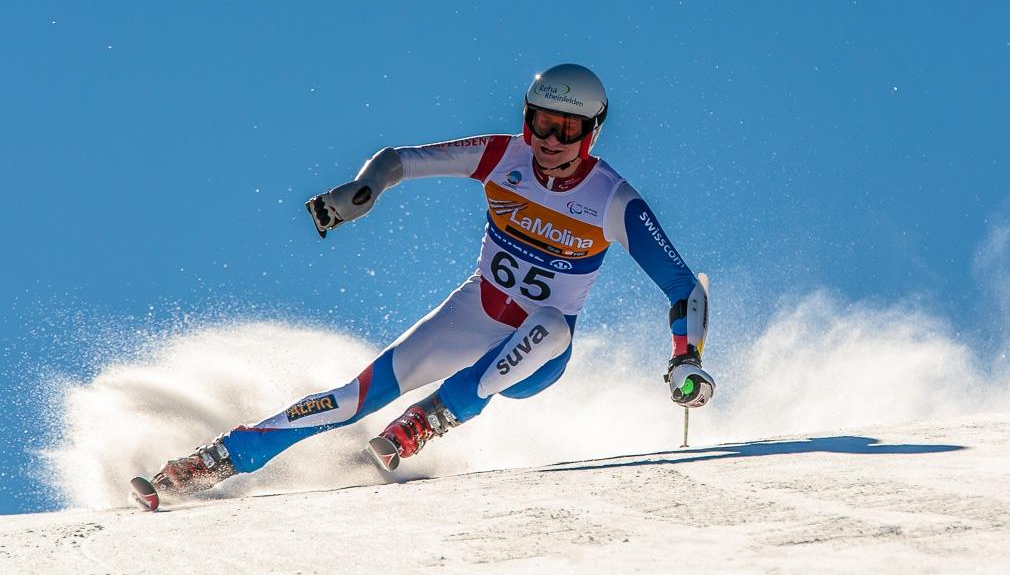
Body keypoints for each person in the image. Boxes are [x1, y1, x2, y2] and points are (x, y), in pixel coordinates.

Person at [140, 63, 715, 498]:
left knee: (551, 326)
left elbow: (683, 286)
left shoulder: (612, 199)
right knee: (353, 397)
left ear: (591, 132)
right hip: (473, 315)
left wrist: (684, 359)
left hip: (539, 352)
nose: (550, 141)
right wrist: (360, 192)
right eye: (541, 122)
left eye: (566, 129)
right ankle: (213, 461)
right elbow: (399, 159)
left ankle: (429, 419)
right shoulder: (500, 156)